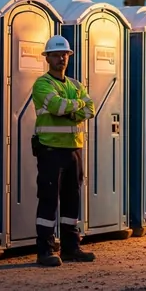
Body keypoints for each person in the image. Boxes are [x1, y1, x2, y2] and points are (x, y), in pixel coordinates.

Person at [31, 35, 97, 267]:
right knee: (48, 200)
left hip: (73, 150)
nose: (61, 58)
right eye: (57, 55)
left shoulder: (76, 85)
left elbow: (90, 109)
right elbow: (58, 107)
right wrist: (76, 106)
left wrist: (71, 108)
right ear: (47, 58)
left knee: (72, 201)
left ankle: (71, 248)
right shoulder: (42, 84)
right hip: (50, 150)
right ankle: (45, 251)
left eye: (65, 55)